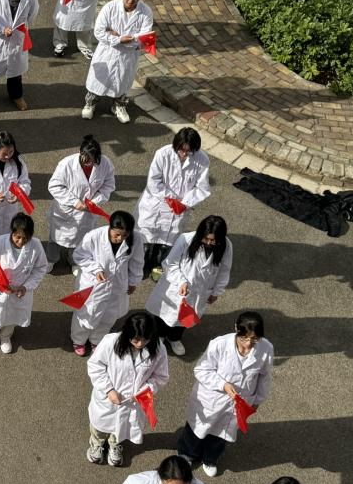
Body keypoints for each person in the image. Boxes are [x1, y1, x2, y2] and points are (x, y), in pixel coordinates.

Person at [179, 311, 274, 477]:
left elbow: (264, 377)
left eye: (254, 339)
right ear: (236, 328)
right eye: (244, 338)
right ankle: (187, 454)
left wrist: (257, 401)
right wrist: (222, 385)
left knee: (222, 434)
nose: (248, 344)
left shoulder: (266, 348)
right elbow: (201, 370)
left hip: (239, 403)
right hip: (211, 399)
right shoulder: (219, 345)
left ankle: (210, 459)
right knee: (196, 429)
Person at [86, 312, 169, 466]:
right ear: (127, 334)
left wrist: (146, 390)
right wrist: (108, 390)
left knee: (122, 427)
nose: (140, 344)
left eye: (145, 339)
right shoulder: (110, 342)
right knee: (100, 425)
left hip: (134, 401)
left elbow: (161, 377)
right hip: (107, 398)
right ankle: (96, 443)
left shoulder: (159, 349)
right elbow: (95, 365)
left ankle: (114, 444)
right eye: (136, 339)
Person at [144, 217, 232, 357]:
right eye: (206, 239)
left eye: (213, 240)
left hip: (200, 291)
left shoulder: (226, 246)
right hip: (176, 287)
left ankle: (174, 338)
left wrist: (216, 291)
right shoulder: (186, 239)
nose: (209, 243)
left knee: (186, 318)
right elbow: (170, 263)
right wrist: (181, 282)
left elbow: (224, 270)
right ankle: (159, 336)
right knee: (165, 315)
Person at [135, 128, 211, 279]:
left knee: (168, 242)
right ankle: (141, 266)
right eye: (181, 150)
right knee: (148, 237)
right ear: (176, 145)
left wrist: (185, 203)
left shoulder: (202, 160)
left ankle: (158, 267)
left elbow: (202, 188)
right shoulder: (162, 154)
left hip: (180, 209)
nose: (184, 154)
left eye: (188, 151)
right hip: (156, 204)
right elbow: (154, 181)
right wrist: (171, 199)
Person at [70, 210, 145, 357]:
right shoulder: (94, 236)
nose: (120, 239)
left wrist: (133, 281)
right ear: (110, 227)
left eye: (125, 235)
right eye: (117, 234)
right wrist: (96, 269)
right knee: (85, 314)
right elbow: (79, 255)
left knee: (108, 316)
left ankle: (96, 340)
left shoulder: (136, 238)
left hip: (117, 285)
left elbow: (137, 262)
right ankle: (78, 340)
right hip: (93, 284)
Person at [82, 0, 154, 124]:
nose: (132, 0)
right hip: (107, 53)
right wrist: (119, 39)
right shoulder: (110, 8)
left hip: (128, 56)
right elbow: (98, 32)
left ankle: (119, 106)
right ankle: (91, 103)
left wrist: (123, 38)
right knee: (98, 81)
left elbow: (145, 37)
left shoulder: (146, 12)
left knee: (122, 82)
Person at [0, 212, 50, 354]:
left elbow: (41, 268)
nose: (21, 241)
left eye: (25, 238)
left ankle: (5, 337)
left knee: (13, 316)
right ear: (12, 232)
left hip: (19, 291)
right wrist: (0, 282)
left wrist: (26, 286)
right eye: (18, 237)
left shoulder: (36, 245)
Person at [47, 134, 116, 267]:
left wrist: (96, 201)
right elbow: (54, 186)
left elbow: (108, 185)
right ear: (80, 152)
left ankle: (74, 261)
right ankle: (50, 260)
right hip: (66, 211)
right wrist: (74, 202)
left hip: (87, 213)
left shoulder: (105, 163)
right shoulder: (66, 164)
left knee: (80, 239)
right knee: (56, 238)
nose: (89, 163)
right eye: (86, 160)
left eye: (93, 160)